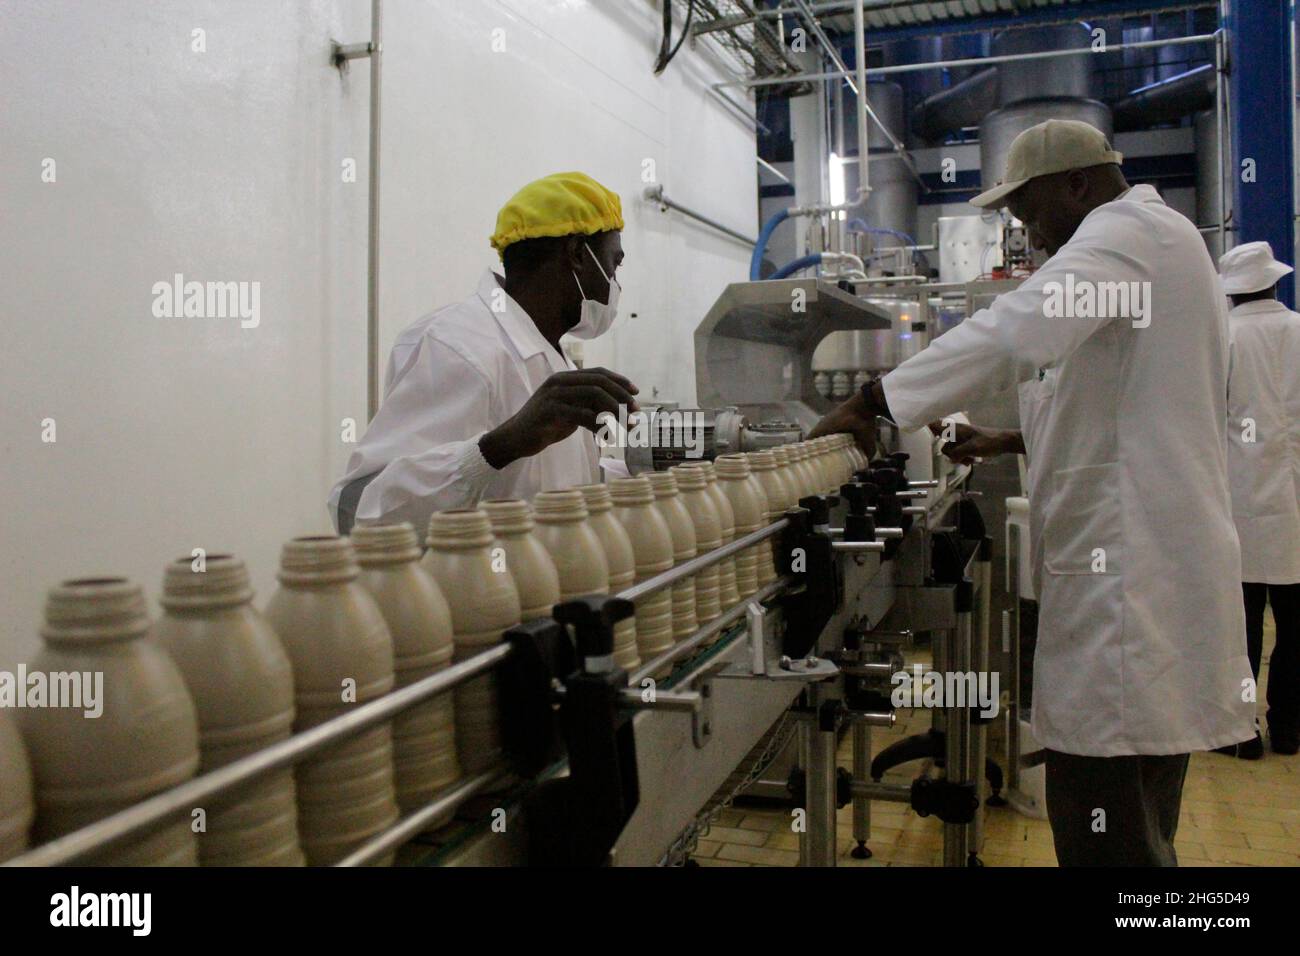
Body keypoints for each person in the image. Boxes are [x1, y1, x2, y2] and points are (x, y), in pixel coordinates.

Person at [811, 119, 1254, 866]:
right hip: (1153, 571)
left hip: (1130, 587)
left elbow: (1018, 334)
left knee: (1100, 819)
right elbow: (1125, 407)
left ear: (1077, 183)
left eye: (1030, 213)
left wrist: (876, 400)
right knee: (1140, 821)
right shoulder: (1160, 241)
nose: (1031, 236)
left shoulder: (1125, 236)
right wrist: (1008, 439)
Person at [329, 172, 639, 533]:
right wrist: (498, 447)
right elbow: (359, 512)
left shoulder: (551, 354)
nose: (615, 284)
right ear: (576, 254)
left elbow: (548, 484)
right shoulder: (457, 345)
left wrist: (645, 463)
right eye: (614, 265)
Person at [1216, 241, 1300, 758]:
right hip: (1295, 504)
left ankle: (1243, 731)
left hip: (1238, 502)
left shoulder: (1222, 338)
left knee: (1239, 624)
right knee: (1295, 626)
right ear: (1272, 282)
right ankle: (1288, 728)